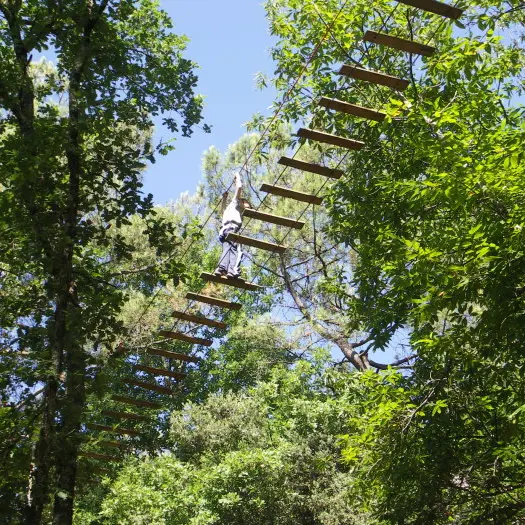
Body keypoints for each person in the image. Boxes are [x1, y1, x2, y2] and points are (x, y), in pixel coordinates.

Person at [214, 172, 249, 279]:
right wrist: (238, 176)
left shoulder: (230, 208)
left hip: (224, 231)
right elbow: (239, 187)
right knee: (236, 250)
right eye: (247, 204)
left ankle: (221, 269)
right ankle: (232, 271)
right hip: (231, 229)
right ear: (241, 202)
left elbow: (222, 210)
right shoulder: (235, 203)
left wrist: (224, 199)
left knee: (227, 249)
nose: (248, 207)